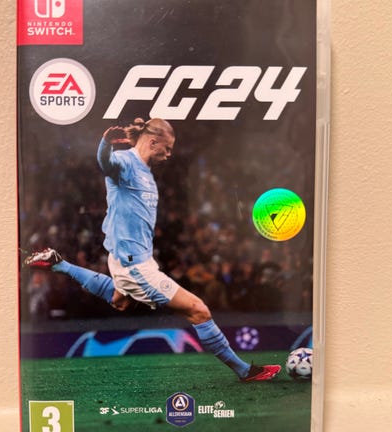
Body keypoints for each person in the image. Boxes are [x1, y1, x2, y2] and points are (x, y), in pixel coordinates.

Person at [25, 118, 281, 382]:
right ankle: (244, 371)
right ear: (153, 141)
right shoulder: (125, 161)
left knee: (120, 300)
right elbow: (105, 163)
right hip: (134, 264)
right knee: (199, 310)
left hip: (135, 260)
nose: (169, 154)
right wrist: (106, 143)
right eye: (167, 148)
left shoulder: (146, 172)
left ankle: (59, 263)